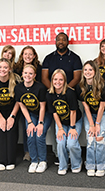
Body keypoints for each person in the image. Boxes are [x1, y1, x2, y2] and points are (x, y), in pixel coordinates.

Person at [42, 32, 82, 164]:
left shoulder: (75, 58)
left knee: (71, 125)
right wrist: (55, 91)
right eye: (58, 40)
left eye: (63, 40)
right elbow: (44, 77)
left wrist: (64, 90)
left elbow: (77, 78)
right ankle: (59, 155)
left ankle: (72, 156)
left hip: (71, 97)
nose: (61, 42)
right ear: (55, 42)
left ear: (68, 42)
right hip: (54, 98)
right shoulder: (48, 58)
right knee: (58, 127)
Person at [15, 64, 53, 173]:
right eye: (25, 73)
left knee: (39, 135)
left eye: (30, 73)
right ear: (22, 74)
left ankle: (42, 161)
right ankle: (34, 160)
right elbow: (22, 106)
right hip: (31, 114)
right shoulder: (18, 88)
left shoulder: (40, 87)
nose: (28, 75)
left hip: (44, 114)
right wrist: (30, 122)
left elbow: (42, 106)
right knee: (30, 134)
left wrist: (40, 123)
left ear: (34, 75)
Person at [76, 60, 105, 177]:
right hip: (90, 113)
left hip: (103, 113)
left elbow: (102, 107)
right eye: (85, 70)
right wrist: (91, 125)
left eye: (90, 70)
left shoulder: (103, 85)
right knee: (90, 137)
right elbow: (85, 107)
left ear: (95, 71)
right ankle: (90, 164)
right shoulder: (80, 86)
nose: (87, 72)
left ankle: (102, 165)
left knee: (99, 137)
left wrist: (97, 124)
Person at [46, 69, 83, 175]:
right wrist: (60, 128)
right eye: (55, 79)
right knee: (61, 143)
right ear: (52, 80)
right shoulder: (49, 94)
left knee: (71, 143)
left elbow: (73, 112)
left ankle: (76, 163)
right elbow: (54, 113)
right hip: (61, 123)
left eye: (61, 80)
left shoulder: (70, 93)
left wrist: (72, 128)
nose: (58, 82)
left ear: (65, 81)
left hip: (74, 121)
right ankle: (63, 165)